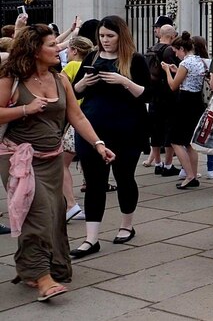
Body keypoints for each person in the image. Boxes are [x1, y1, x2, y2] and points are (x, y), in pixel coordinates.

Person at [0, 24, 115, 302]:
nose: (59, 48)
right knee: (38, 213)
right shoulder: (11, 77)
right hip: (18, 157)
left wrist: (98, 144)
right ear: (34, 49)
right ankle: (42, 278)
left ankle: (31, 267)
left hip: (51, 158)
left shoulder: (60, 78)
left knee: (54, 213)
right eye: (52, 45)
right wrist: (25, 108)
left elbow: (77, 117)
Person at [69, 15, 151, 257]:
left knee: (124, 177)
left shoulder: (135, 60)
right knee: (94, 182)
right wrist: (84, 82)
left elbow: (147, 95)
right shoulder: (92, 56)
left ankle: (127, 225)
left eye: (110, 36)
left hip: (127, 129)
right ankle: (91, 239)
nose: (105, 40)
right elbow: (73, 91)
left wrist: (123, 81)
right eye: (102, 36)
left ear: (121, 36)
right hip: (93, 129)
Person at [161, 32, 208, 189]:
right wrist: (176, 70)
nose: (175, 54)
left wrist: (167, 71)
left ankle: (189, 175)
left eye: (176, 51)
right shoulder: (199, 61)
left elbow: (173, 86)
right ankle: (193, 174)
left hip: (184, 102)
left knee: (176, 140)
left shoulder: (185, 63)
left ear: (182, 48)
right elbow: (191, 78)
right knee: (189, 142)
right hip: (196, 102)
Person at [61, 36, 94, 222]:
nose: (65, 52)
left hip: (74, 121)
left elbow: (62, 93)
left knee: (61, 165)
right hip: (88, 120)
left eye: (68, 49)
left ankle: (71, 204)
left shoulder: (71, 67)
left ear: (74, 50)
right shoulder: (92, 69)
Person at [143, 24, 179, 175]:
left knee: (155, 131)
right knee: (169, 130)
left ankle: (157, 163)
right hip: (168, 94)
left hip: (153, 95)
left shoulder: (150, 50)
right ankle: (168, 165)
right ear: (171, 36)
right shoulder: (170, 51)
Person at [192, 35, 213, 179]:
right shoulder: (208, 61)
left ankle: (190, 169)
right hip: (212, 101)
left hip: (198, 100)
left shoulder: (188, 61)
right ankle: (211, 168)